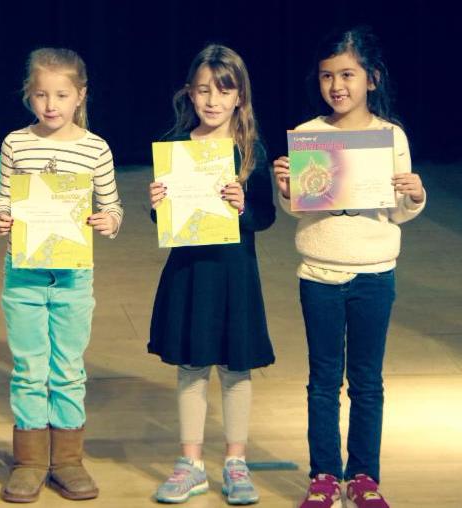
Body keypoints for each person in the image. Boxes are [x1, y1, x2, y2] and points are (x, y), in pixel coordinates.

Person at [272, 26, 426, 508]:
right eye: (326, 76)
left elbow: (398, 211)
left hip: (374, 273)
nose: (336, 85)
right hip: (318, 274)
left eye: (347, 74)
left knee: (367, 382)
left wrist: (415, 194)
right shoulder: (310, 135)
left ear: (371, 78)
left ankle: (363, 477)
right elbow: (299, 209)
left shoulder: (390, 137)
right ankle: (323, 475)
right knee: (322, 381)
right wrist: (286, 189)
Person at [0, 47, 123, 503]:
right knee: (29, 368)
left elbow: (113, 207)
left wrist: (108, 221)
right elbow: (5, 199)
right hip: (24, 274)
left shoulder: (95, 148)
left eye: (62, 95)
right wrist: (2, 217)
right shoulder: (16, 143)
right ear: (28, 95)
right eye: (41, 95)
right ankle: (29, 461)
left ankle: (68, 459)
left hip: (73, 275)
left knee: (67, 368)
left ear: (80, 95)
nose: (51, 105)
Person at [147, 44, 276, 505]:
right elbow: (164, 221)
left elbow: (265, 215)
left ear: (239, 96)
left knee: (236, 367)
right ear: (189, 93)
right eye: (203, 90)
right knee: (192, 365)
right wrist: (158, 204)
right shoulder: (177, 146)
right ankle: (191, 464)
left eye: (223, 90)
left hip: (235, 273)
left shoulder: (250, 150)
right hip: (190, 271)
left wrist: (243, 208)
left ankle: (236, 462)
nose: (212, 100)